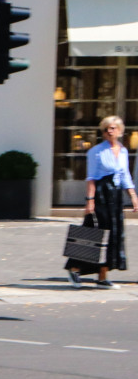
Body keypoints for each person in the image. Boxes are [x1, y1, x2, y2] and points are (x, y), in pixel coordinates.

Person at [66, 115, 138, 288]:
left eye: (113, 128)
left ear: (120, 131)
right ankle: (74, 269)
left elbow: (125, 175)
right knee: (93, 232)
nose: (109, 131)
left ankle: (102, 276)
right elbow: (91, 178)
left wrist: (133, 196)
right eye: (106, 129)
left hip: (116, 196)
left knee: (114, 234)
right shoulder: (96, 151)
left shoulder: (123, 150)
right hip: (100, 194)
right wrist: (89, 201)